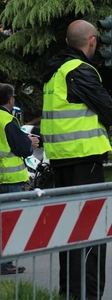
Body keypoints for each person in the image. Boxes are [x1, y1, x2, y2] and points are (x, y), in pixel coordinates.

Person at [41, 20, 112, 300]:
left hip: (59, 160)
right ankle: (86, 295)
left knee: (68, 233)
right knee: (90, 233)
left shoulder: (54, 72)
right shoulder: (81, 71)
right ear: (93, 40)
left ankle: (70, 292)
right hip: (85, 161)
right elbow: (111, 113)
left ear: (66, 42)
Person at [0, 83, 39, 275]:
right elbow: (21, 148)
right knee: (8, 222)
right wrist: (29, 142)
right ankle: (5, 263)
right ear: (10, 99)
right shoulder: (7, 120)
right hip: (8, 179)